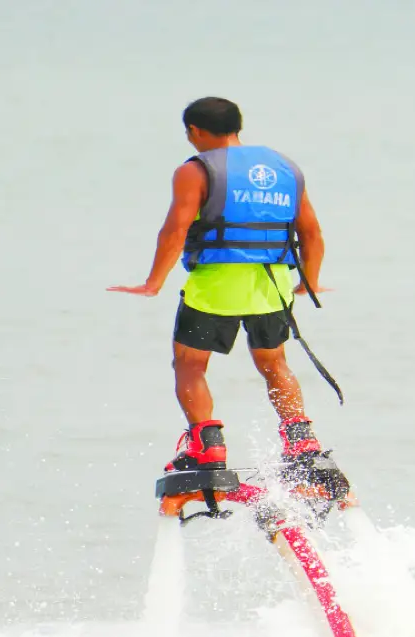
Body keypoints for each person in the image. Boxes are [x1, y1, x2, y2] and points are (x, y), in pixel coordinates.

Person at [108, 97, 332, 474]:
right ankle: (300, 439)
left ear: (195, 131)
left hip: (215, 285)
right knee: (274, 362)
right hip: (271, 283)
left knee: (190, 364)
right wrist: (308, 282)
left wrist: (153, 283)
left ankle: (207, 446)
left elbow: (175, 229)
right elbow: (311, 232)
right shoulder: (285, 168)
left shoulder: (195, 170)